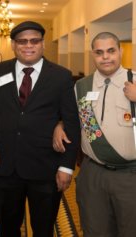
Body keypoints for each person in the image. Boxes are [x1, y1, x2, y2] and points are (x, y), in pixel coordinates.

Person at [0, 21, 81, 237]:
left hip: (46, 168)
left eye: (34, 40)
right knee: (7, 229)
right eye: (22, 41)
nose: (28, 45)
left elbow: (71, 121)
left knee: (43, 230)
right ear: (14, 45)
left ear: (43, 44)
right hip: (5, 166)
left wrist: (66, 167)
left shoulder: (61, 76)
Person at [53, 32, 136, 237]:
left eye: (111, 51)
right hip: (93, 173)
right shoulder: (81, 86)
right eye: (99, 52)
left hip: (130, 176)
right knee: (94, 230)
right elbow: (72, 118)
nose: (105, 57)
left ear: (121, 51)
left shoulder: (134, 80)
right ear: (93, 55)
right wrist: (59, 124)